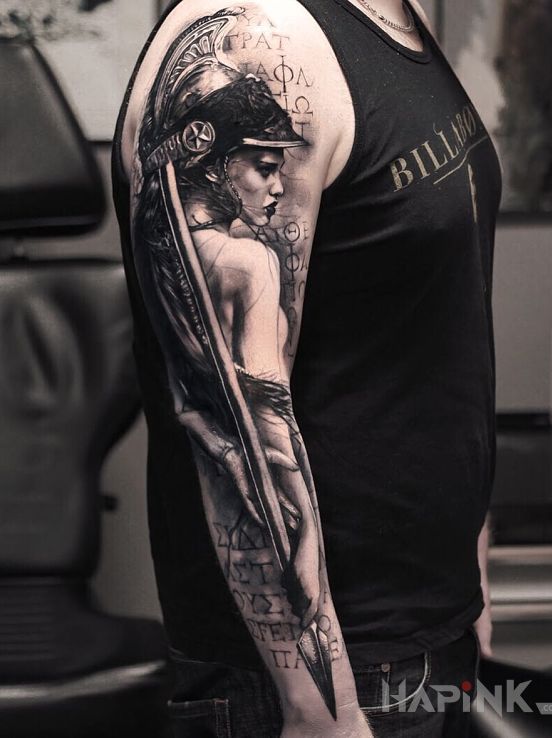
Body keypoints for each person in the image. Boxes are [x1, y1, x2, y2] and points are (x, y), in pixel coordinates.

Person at [112, 1, 501, 736]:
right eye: (258, 165)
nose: (268, 181)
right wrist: (319, 706)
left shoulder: (394, 16)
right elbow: (237, 433)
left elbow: (430, 327)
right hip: (332, 675)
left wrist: (468, 574)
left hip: (428, 627)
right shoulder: (266, 32)